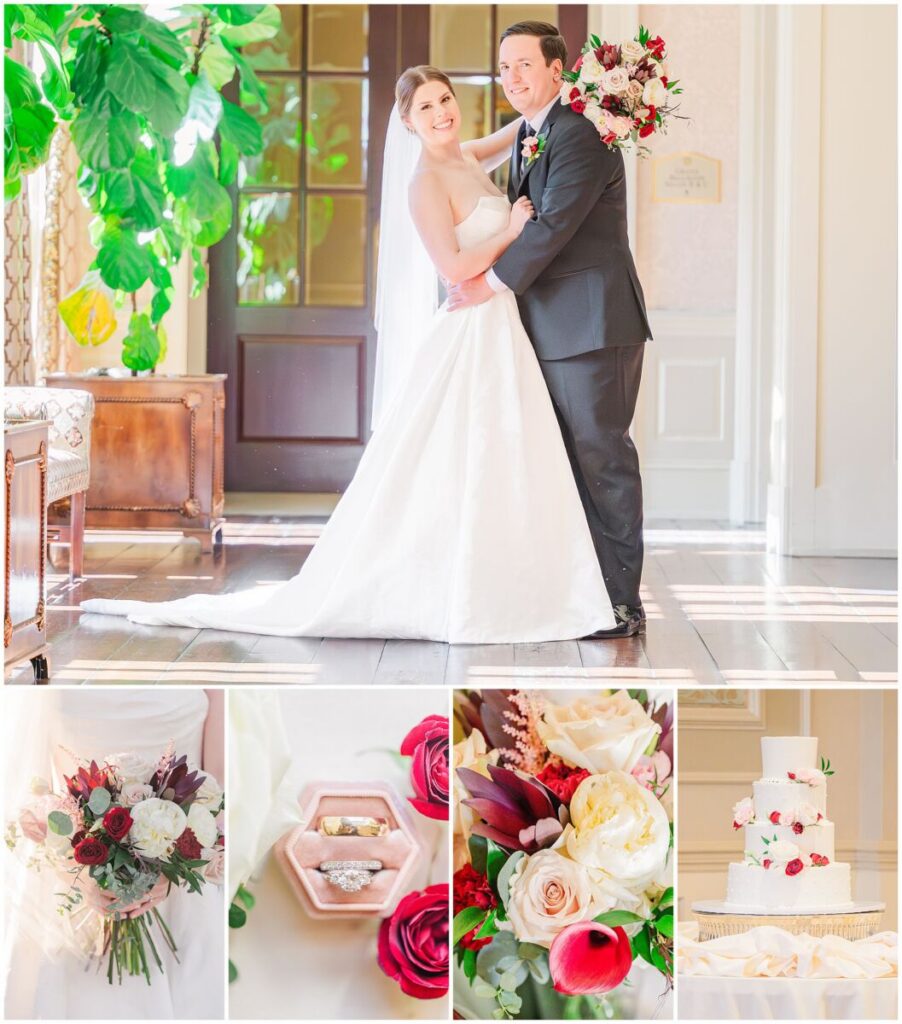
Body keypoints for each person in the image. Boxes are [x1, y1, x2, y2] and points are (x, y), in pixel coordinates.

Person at [80, 66, 615, 644]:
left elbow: (526, 128)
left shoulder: (465, 155)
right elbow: (455, 269)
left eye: (446, 99)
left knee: (510, 452)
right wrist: (512, 229)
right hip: (471, 325)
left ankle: (525, 584)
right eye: (426, 108)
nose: (441, 113)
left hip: (502, 327)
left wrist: (591, 96)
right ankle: (458, 588)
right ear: (407, 123)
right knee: (469, 451)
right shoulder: (425, 184)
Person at [448, 22, 653, 638]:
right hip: (548, 327)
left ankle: (623, 604)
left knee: (602, 460)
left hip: (593, 326)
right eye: (503, 66)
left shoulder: (581, 134)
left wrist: (487, 284)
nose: (511, 77)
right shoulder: (533, 135)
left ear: (556, 71)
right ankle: (585, 599)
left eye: (523, 65)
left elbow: (553, 225)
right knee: (565, 467)